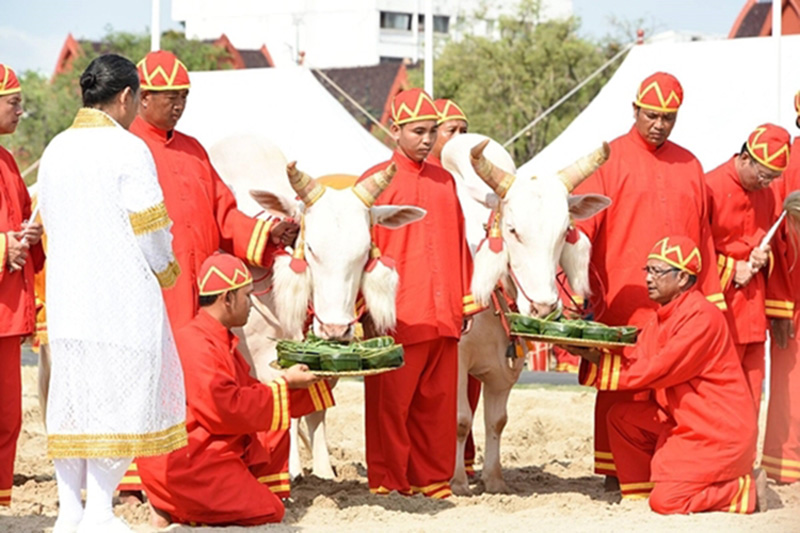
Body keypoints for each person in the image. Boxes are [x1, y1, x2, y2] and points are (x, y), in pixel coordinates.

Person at [123, 50, 333, 496]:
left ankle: (215, 467)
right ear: (142, 98)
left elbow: (224, 212)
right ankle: (146, 475)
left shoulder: (194, 149)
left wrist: (271, 233)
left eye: (183, 96)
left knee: (219, 381)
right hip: (150, 293)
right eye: (168, 97)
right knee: (153, 380)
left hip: (203, 295)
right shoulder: (125, 148)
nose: (178, 105)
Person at [38, 54, 187, 533]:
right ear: (126, 97)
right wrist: (166, 270)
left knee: (73, 401)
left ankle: (69, 511)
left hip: (68, 300)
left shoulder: (56, 147)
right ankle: (100, 510)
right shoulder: (128, 149)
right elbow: (150, 228)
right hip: (119, 299)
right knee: (116, 400)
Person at [573, 72, 725, 487]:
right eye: (652, 115)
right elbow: (582, 232)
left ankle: (662, 464)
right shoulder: (608, 159)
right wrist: (576, 291)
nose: (659, 124)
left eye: (668, 118)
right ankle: (612, 470)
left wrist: (710, 299)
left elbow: (703, 237)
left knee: (672, 387)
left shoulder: (690, 163)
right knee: (621, 383)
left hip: (679, 306)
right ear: (635, 110)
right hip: (621, 298)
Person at [567, 236, 764, 514]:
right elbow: (636, 357)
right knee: (622, 417)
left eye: (657, 272)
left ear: (683, 278)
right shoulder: (664, 316)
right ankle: (640, 493)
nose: (648, 279)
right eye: (647, 271)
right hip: (687, 419)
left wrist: (597, 357)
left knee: (666, 502)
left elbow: (656, 369)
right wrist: (585, 350)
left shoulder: (702, 318)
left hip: (716, 430)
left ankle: (741, 491)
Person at [138, 252, 320, 527]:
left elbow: (251, 395)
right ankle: (177, 507)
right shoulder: (196, 342)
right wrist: (285, 385)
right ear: (227, 299)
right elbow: (224, 408)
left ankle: (189, 503)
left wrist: (313, 381)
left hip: (199, 450)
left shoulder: (214, 336)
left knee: (275, 417)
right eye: (247, 296)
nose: (250, 305)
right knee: (271, 511)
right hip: (189, 465)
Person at [359, 88, 479, 499]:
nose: (428, 140)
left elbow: (461, 244)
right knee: (391, 408)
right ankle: (389, 482)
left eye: (432, 132)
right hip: (397, 315)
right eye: (418, 132)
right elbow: (355, 251)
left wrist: (466, 300)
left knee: (437, 404)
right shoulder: (373, 182)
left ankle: (431, 480)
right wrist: (366, 309)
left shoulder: (445, 181)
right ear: (395, 131)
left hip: (443, 312)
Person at [705, 123, 792, 415]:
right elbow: (694, 247)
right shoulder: (710, 187)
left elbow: (778, 250)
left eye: (772, 178)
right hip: (719, 308)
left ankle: (744, 461)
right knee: (718, 397)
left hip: (753, 311)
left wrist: (761, 259)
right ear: (745, 158)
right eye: (762, 175)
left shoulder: (768, 194)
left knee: (751, 398)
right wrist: (731, 268)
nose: (765, 183)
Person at [427, 97, 480, 477]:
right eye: (451, 132)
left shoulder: (477, 177)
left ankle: (462, 459)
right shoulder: (428, 177)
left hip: (476, 292)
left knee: (472, 385)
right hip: (433, 295)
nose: (460, 139)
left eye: (465, 131)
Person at [0, 63, 45, 508]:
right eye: (13, 102)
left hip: (8, 312)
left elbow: (21, 220)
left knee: (8, 418)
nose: (21, 110)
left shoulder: (9, 161)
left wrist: (26, 237)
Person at [763, 92, 800, 484]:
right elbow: (773, 241)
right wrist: (779, 307)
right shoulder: (786, 168)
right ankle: (787, 468)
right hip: (795, 295)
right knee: (792, 388)